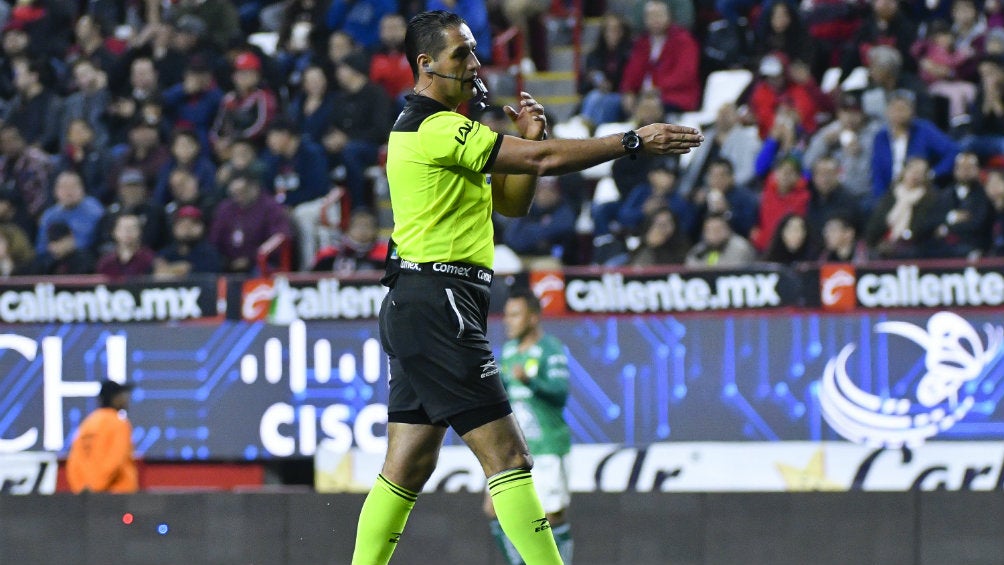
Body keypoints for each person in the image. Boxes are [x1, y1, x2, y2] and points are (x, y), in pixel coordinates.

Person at [351, 10, 702, 565]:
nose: (473, 63)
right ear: (425, 65)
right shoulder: (433, 126)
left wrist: (524, 143)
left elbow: (511, 202)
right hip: (439, 301)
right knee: (510, 457)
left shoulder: (442, 131)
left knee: (408, 466)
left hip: (421, 301)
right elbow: (542, 159)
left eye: (472, 51)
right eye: (460, 55)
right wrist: (633, 139)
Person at [485, 288, 573, 565]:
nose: (507, 321)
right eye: (507, 315)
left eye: (515, 315)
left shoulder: (551, 350)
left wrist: (530, 381)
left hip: (547, 447)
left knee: (551, 517)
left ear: (533, 318)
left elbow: (560, 393)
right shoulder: (509, 351)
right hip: (515, 451)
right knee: (493, 509)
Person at [65, 380, 139, 494]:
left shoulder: (87, 424)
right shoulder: (118, 424)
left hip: (87, 498)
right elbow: (115, 460)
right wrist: (97, 487)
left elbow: (74, 461)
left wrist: (81, 489)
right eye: (122, 395)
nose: (126, 399)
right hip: (117, 496)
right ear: (115, 398)